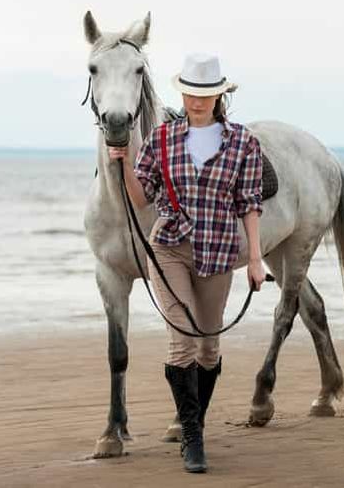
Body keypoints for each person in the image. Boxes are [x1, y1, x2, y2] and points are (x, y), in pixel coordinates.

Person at [107, 52, 265, 473]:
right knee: (183, 337)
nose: (197, 101)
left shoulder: (244, 143)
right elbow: (142, 197)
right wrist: (123, 166)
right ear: (182, 92)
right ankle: (192, 437)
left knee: (209, 345)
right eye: (191, 93)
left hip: (218, 252)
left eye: (206, 94)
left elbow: (249, 204)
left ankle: (195, 419)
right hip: (170, 247)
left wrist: (255, 258)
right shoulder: (162, 138)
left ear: (219, 95)